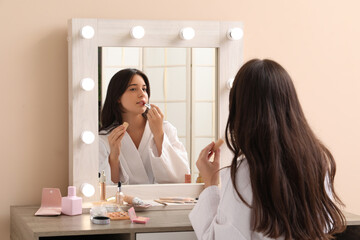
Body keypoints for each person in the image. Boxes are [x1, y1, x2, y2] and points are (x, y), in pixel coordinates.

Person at [189, 59, 346, 239]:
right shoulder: (317, 163)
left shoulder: (244, 175)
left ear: (239, 111)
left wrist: (210, 185)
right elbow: (326, 224)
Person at [99, 68, 190, 185]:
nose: (142, 94)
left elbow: (182, 175)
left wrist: (159, 134)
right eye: (133, 89)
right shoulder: (104, 139)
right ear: (117, 97)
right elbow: (106, 189)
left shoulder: (166, 129)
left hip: (163, 201)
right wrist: (114, 157)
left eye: (144, 89)